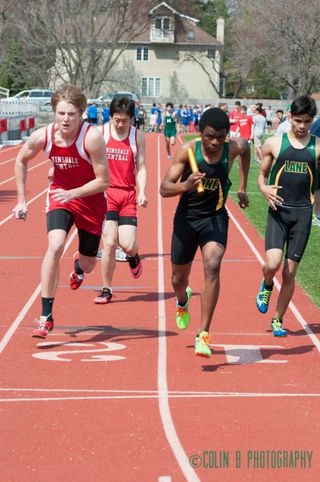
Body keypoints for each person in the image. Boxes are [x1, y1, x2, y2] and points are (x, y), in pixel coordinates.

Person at [13, 84, 109, 338]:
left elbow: (104, 181)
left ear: (81, 114)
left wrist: (75, 193)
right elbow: (21, 160)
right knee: (55, 246)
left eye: (71, 114)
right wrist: (22, 200)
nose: (66, 119)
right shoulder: (42, 136)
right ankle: (46, 316)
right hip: (60, 196)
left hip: (91, 201)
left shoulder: (92, 137)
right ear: (54, 112)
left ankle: (78, 267)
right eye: (61, 114)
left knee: (89, 265)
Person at [159, 107, 250, 358]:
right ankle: (182, 300)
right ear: (201, 133)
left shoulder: (231, 148)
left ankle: (203, 334)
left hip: (215, 217)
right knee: (178, 279)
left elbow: (246, 150)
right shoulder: (189, 151)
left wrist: (242, 187)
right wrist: (185, 185)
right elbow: (163, 188)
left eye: (220, 137)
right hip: (187, 219)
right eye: (210, 136)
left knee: (212, 263)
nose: (214, 142)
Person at [256, 95, 320, 336]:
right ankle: (267, 284)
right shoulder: (275, 143)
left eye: (308, 121)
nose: (302, 126)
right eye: (299, 120)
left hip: (303, 215)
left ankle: (278, 319)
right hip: (278, 211)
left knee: (290, 271)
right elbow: (261, 176)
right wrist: (263, 189)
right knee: (272, 264)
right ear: (290, 117)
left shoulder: (318, 146)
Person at [94, 96, 147, 304]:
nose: (120, 124)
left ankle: (133, 256)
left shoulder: (137, 136)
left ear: (131, 118)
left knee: (127, 244)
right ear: (111, 116)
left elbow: (141, 166)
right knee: (108, 243)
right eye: (116, 119)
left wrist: (143, 191)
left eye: (124, 120)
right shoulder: (100, 133)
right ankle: (106, 288)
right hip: (106, 194)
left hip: (127, 195)